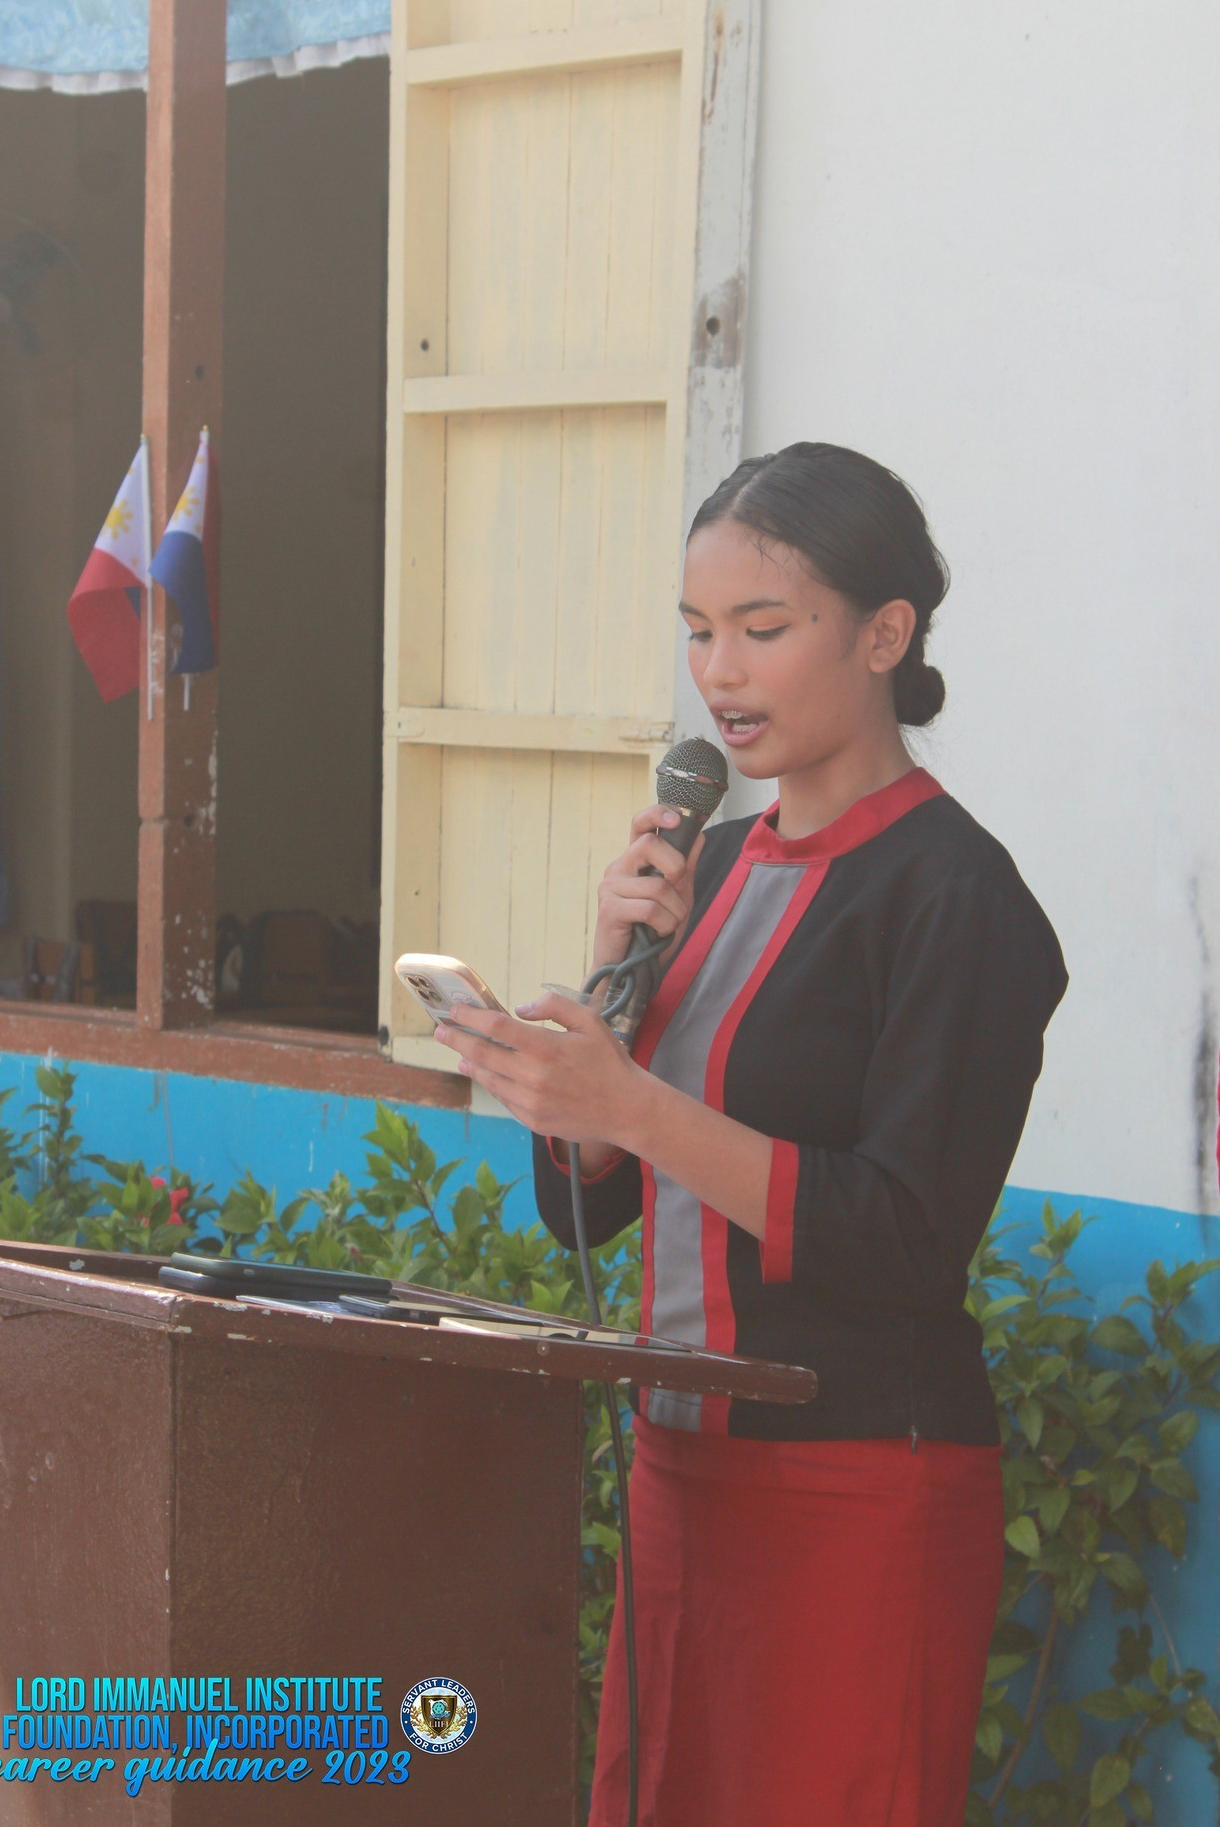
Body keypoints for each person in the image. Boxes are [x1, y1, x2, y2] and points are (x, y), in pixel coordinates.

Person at [431, 442, 1070, 1826]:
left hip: (858, 1487)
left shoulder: (956, 898)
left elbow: (903, 1240)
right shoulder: (705, 868)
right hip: (682, 1476)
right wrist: (606, 997)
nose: (718, 674)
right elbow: (593, 1209)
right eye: (697, 631)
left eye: (762, 630)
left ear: (884, 634)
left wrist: (636, 1105)